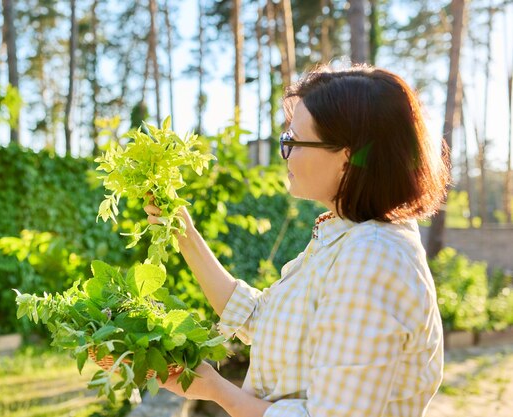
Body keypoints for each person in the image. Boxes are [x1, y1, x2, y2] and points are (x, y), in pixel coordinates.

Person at [144, 64, 449, 417]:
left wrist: (215, 389)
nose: (283, 151)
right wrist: (186, 235)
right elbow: (261, 319)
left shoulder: (372, 258)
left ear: (347, 159)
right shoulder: (344, 236)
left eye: (293, 140)